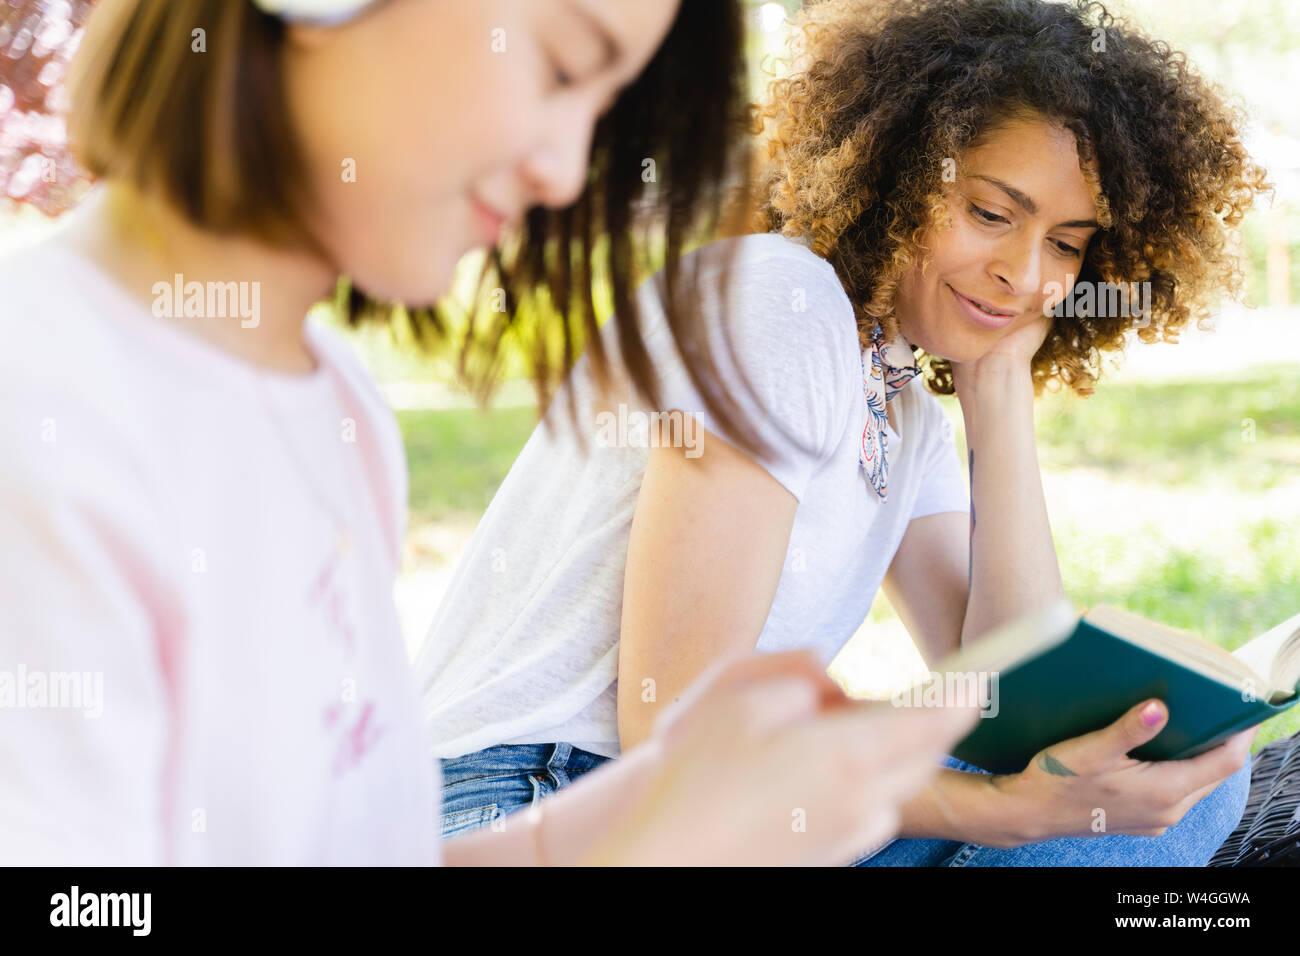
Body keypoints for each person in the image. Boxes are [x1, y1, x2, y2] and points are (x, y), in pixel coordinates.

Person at [0, 0, 977, 866]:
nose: (560, 170)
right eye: (556, 66)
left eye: (600, 104)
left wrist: (647, 813)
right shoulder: (50, 413)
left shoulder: (333, 405)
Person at [414, 0, 1268, 865]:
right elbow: (671, 721)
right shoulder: (781, 303)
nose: (1025, 274)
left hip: (721, 815)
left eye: (1067, 245)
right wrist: (999, 813)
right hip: (543, 799)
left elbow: (1007, 699)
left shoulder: (901, 403)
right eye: (990, 213)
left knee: (1184, 773)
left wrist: (998, 392)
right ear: (897, 176)